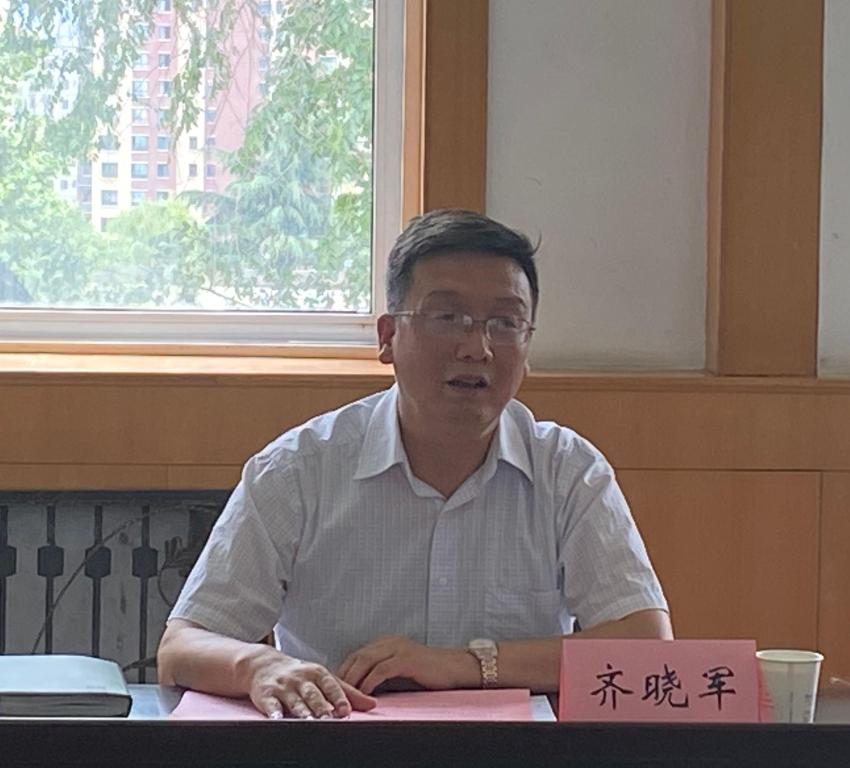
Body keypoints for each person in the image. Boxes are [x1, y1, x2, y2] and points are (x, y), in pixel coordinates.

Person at [157, 209, 671, 719]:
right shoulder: (298, 470)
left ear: (527, 345)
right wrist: (259, 665)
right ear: (388, 337)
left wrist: (463, 665)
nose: (477, 348)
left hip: (513, 754)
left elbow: (645, 645)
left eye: (505, 323)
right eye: (447, 318)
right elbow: (182, 646)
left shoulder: (568, 471)